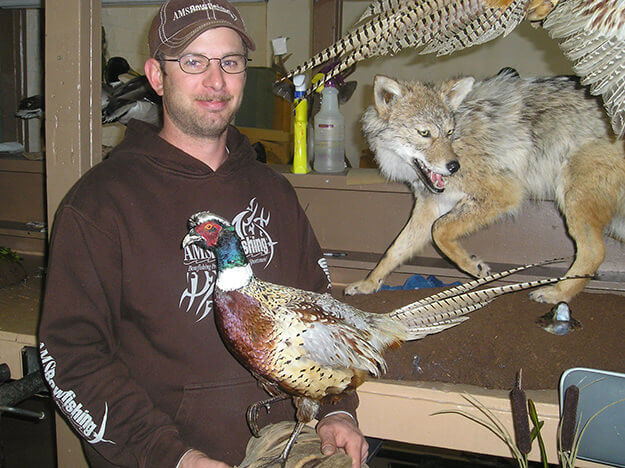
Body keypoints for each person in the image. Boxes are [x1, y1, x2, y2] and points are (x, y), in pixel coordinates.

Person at [38, 0, 368, 467]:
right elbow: (73, 358)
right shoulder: (99, 204)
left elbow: (322, 315)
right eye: (193, 61)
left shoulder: (274, 193)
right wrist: (173, 457)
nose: (216, 81)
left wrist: (336, 411)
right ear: (156, 76)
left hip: (283, 449)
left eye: (230, 63)